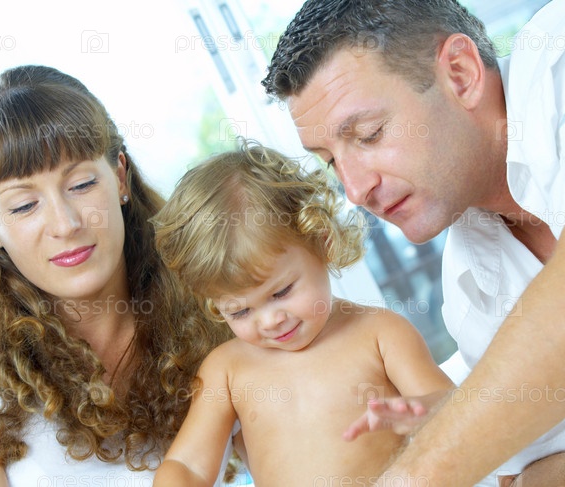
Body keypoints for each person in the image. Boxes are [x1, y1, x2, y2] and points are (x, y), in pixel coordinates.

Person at [262, 0, 565, 485]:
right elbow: (526, 473)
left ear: (461, 73)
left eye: (369, 134)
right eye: (329, 162)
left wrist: (409, 480)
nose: (356, 190)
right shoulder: (475, 286)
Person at [0, 65, 233, 486]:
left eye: (81, 185)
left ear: (119, 176)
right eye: (24, 206)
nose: (65, 223)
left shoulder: (223, 314)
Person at [150, 142, 454, 486]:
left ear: (321, 241)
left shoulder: (380, 333)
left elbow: (454, 411)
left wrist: (422, 414)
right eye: (240, 311)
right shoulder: (225, 370)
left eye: (281, 292)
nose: (270, 320)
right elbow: (188, 465)